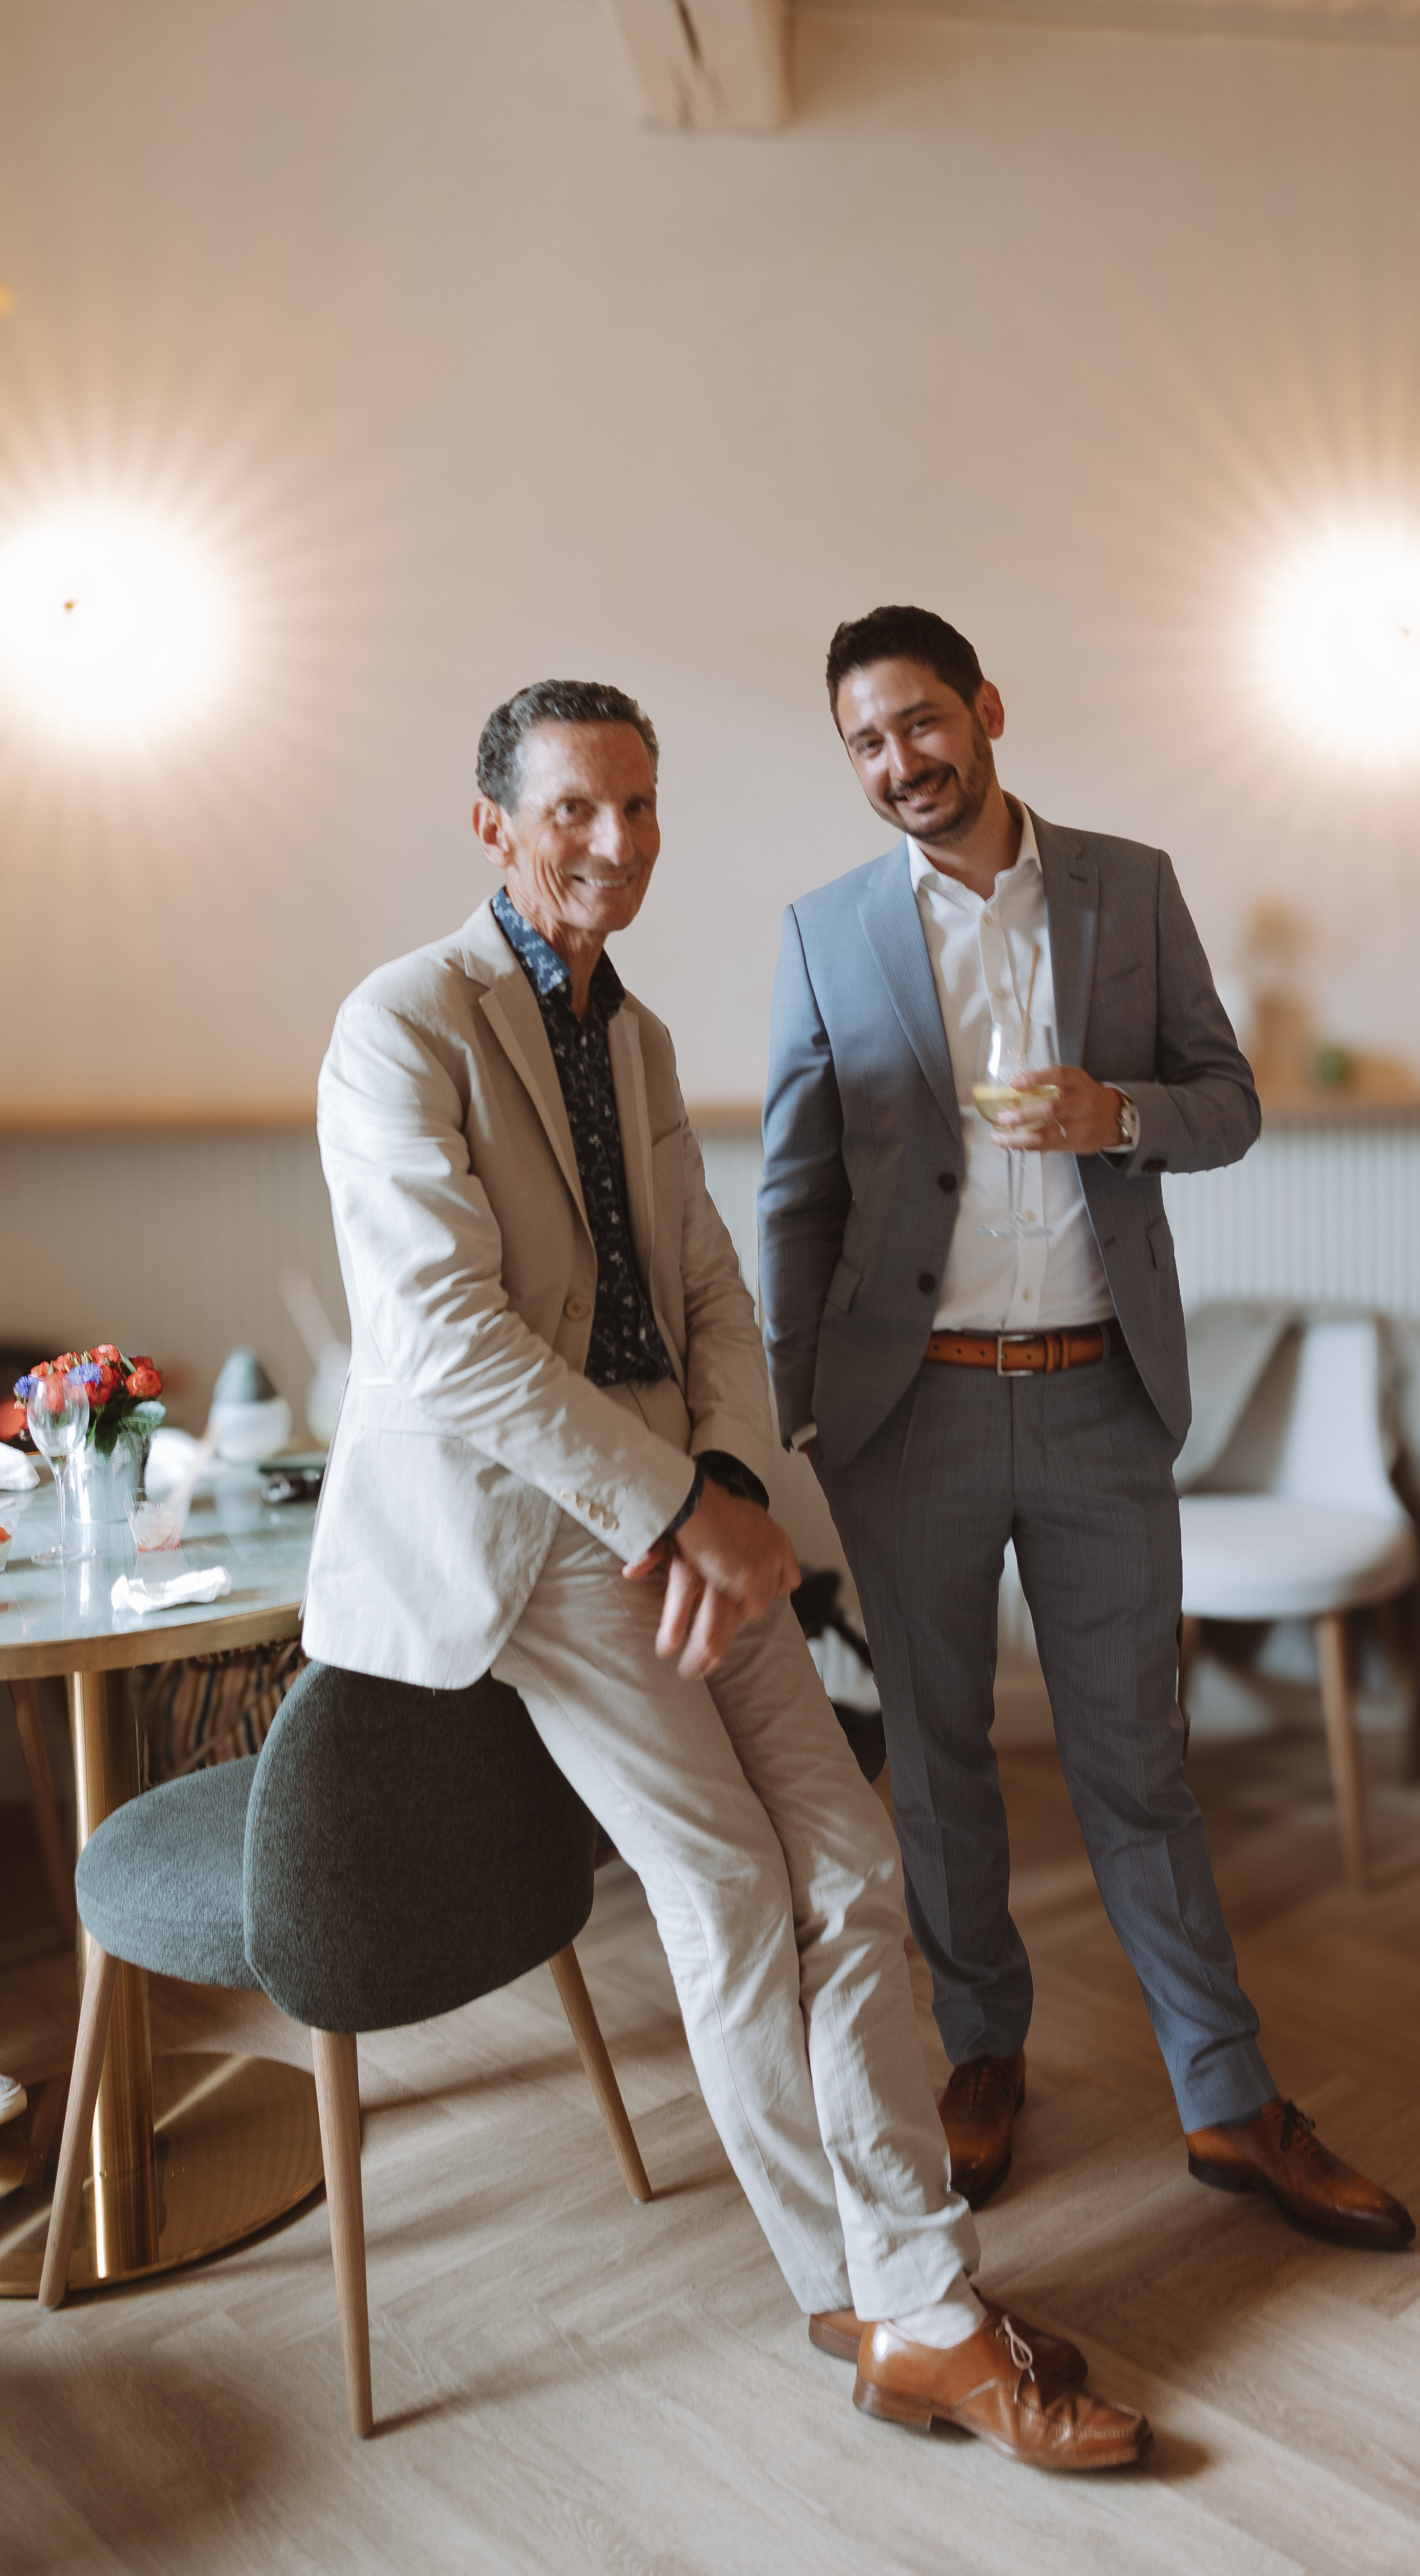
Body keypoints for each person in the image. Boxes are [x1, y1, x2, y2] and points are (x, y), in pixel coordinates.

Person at [303, 676, 1152, 2471]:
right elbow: (447, 1340)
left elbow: (703, 1285)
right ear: (493, 829)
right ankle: (899, 2302)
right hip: (528, 1535)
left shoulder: (639, 1035)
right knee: (730, 1888)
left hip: (683, 1499)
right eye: (575, 813)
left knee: (850, 1862)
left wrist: (726, 1477)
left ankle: (904, 2287)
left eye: (642, 807)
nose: (620, 844)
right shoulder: (398, 1025)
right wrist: (661, 1509)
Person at [758, 608, 1415, 2247]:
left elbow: (1233, 1099)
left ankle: (1226, 2093)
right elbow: (795, 1185)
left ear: (984, 709)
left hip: (1101, 1396)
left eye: (918, 722)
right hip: (906, 1418)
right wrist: (795, 1409)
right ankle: (982, 2054)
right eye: (864, 743)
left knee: (1143, 1769)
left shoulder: (1129, 884)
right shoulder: (826, 929)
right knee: (943, 1770)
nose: (899, 761)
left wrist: (1118, 1114)